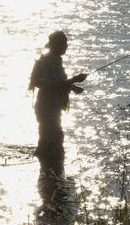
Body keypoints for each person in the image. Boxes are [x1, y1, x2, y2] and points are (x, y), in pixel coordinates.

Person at [28, 30, 88, 167]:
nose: (66, 47)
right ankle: (51, 174)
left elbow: (57, 83)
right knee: (51, 141)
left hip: (51, 107)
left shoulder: (54, 60)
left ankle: (49, 175)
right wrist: (74, 79)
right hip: (46, 107)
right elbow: (52, 85)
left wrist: (72, 87)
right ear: (57, 45)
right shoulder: (49, 61)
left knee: (52, 140)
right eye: (64, 44)